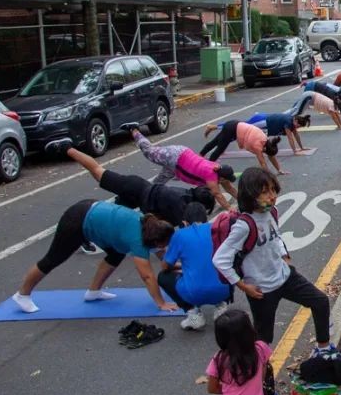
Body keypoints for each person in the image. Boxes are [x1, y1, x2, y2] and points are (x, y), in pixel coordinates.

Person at [213, 168, 332, 347]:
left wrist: (284, 256)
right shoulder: (244, 225)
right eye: (265, 192)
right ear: (250, 195)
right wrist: (243, 286)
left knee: (320, 302)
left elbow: (275, 237)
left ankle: (323, 350)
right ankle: (261, 372)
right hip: (262, 291)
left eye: (273, 190)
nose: (272, 196)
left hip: (285, 277)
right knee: (263, 339)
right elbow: (220, 259)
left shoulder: (271, 212)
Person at [12, 200, 176, 314]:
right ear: (155, 239)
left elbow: (163, 254)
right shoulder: (137, 240)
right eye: (164, 243)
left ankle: (93, 292)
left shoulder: (150, 227)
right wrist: (161, 303)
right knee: (53, 259)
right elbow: (147, 276)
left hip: (95, 213)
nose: (164, 247)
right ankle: (22, 295)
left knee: (116, 253)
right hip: (78, 220)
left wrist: (179, 267)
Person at [61, 144, 214, 226]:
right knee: (97, 171)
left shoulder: (186, 194)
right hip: (134, 188)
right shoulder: (180, 206)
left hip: (139, 195)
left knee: (112, 219)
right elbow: (186, 233)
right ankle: (68, 148)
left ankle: (88, 230)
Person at [193, 309, 276, 395]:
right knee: (267, 368)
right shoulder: (261, 348)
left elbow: (212, 389)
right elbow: (262, 379)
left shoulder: (219, 359)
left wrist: (230, 391)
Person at [160, 203, 231, 331]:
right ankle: (222, 304)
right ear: (206, 217)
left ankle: (193, 313)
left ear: (185, 222)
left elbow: (165, 266)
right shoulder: (218, 229)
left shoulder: (180, 235)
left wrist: (182, 267)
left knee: (163, 277)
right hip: (224, 288)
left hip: (194, 293)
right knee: (229, 267)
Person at [131, 128, 237, 210]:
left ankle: (144, 197)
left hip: (178, 164)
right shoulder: (211, 176)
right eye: (227, 179)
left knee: (158, 184)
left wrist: (243, 201)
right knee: (149, 152)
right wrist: (229, 208)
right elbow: (217, 194)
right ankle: (135, 131)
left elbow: (230, 188)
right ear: (222, 178)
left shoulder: (218, 168)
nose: (227, 182)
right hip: (175, 157)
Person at [201, 120, 286, 176]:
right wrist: (268, 176)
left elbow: (271, 156)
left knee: (215, 143)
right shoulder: (258, 145)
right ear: (265, 150)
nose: (264, 154)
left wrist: (279, 169)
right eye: (265, 153)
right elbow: (262, 162)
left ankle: (201, 155)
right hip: (232, 129)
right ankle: (207, 168)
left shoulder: (266, 141)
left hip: (235, 125)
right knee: (219, 149)